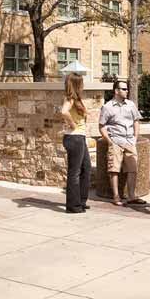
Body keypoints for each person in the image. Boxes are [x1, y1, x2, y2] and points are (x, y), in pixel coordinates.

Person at [99, 79, 146, 206]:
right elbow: (101, 126)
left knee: (133, 169)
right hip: (115, 141)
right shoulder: (107, 107)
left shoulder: (130, 105)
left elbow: (136, 120)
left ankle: (131, 196)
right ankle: (116, 197)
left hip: (129, 141)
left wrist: (135, 137)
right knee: (114, 170)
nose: (127, 91)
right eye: (124, 89)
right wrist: (109, 141)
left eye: (127, 88)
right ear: (116, 91)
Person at [60, 73, 91, 214]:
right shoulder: (70, 98)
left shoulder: (77, 99)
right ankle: (73, 206)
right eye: (82, 83)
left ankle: (81, 201)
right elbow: (64, 112)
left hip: (80, 137)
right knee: (75, 172)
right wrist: (72, 124)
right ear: (77, 84)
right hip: (74, 138)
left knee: (86, 168)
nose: (83, 85)